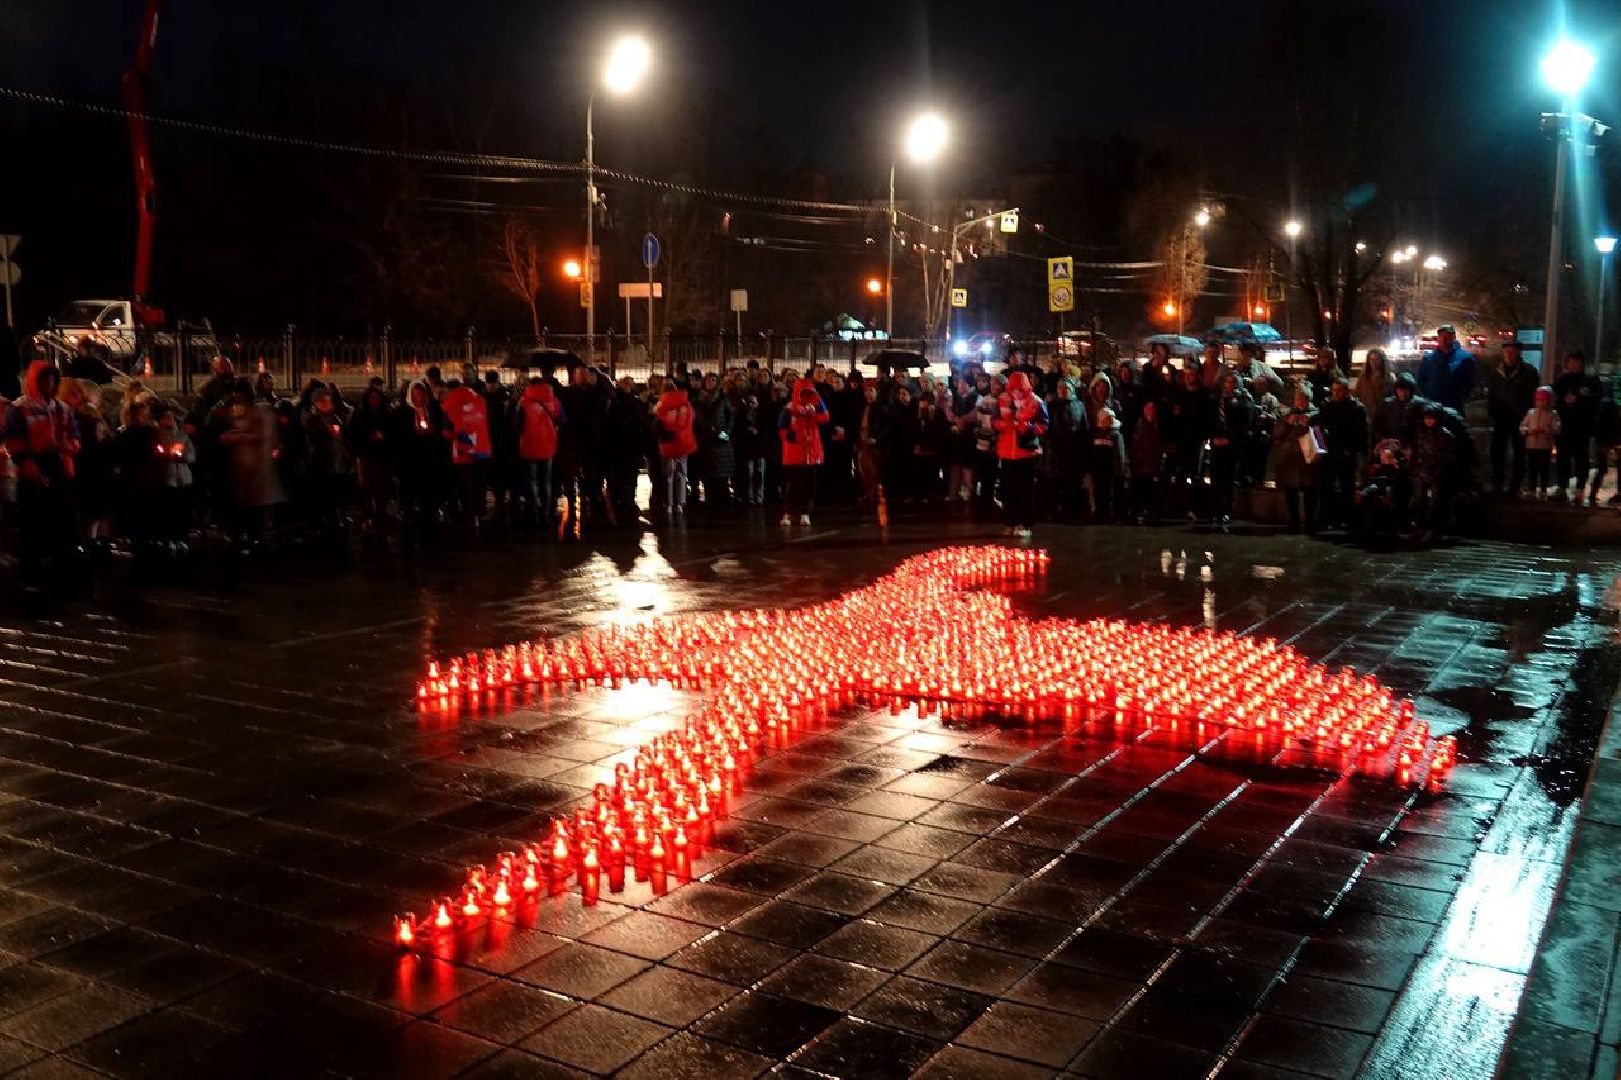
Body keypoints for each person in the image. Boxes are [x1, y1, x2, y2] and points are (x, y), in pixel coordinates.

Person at [4, 362, 81, 591]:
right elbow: (16, 446)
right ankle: (31, 575)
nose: (50, 384)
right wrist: (34, 472)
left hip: (60, 468)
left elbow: (74, 436)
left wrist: (69, 447)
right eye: (45, 380)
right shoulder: (19, 409)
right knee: (33, 526)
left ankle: (61, 573)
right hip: (35, 469)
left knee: (63, 525)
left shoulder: (63, 409)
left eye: (53, 380)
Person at [216, 377, 283, 548]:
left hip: (256, 462)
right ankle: (247, 533)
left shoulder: (260, 410)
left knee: (255, 502)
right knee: (246, 500)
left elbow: (263, 435)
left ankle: (256, 534)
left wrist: (237, 438)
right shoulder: (242, 409)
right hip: (244, 462)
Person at [397, 379, 452, 544]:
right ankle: (410, 513)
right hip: (411, 458)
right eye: (415, 394)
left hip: (431, 455)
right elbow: (400, 435)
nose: (418, 397)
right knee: (411, 486)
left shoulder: (434, 410)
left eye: (421, 394)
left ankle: (430, 513)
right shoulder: (404, 412)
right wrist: (414, 434)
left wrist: (432, 432)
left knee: (429, 487)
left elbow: (443, 431)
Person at [994, 370, 1048, 538]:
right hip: (1006, 452)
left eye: (1019, 388)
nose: (1016, 391)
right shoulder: (1003, 399)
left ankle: (1024, 524)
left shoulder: (1036, 402)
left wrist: (1028, 427)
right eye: (1014, 388)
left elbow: (1044, 425)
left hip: (1026, 453)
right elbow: (995, 420)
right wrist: (1003, 424)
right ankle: (1009, 523)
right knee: (1007, 490)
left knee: (1025, 491)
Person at [1485, 341, 1538, 495]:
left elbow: (1531, 395)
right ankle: (1497, 482)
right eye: (1506, 351)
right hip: (1500, 417)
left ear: (1519, 353)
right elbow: (1492, 394)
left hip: (1519, 418)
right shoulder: (1497, 371)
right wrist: (1492, 411)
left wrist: (1523, 412)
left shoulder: (1528, 372)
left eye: (1512, 351)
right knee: (1497, 451)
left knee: (1519, 452)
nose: (1509, 354)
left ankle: (1515, 484)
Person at [513, 377, 564, 530]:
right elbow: (562, 421)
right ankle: (546, 512)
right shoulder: (554, 400)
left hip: (529, 446)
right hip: (548, 446)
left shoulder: (523, 402)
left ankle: (535, 511)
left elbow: (517, 425)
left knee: (532, 480)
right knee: (546, 480)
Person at [345, 386, 396, 539]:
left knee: (382, 486)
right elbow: (353, 434)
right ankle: (367, 514)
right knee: (366, 486)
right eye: (371, 398)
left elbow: (393, 432)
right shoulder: (360, 414)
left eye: (377, 397)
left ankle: (381, 513)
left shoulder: (386, 414)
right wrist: (368, 439)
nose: (374, 401)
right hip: (365, 455)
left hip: (382, 455)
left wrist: (384, 438)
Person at [1316, 378, 1367, 531]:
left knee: (1347, 489)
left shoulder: (1356, 408)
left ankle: (1348, 519)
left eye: (1339, 391)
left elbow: (1361, 432)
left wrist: (1352, 450)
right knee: (1326, 488)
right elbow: (1319, 428)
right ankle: (1327, 518)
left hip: (1346, 454)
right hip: (1329, 454)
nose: (1336, 394)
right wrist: (1320, 448)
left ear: (1346, 391)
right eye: (1334, 391)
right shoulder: (1327, 406)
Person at [778, 376, 829, 526]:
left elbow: (825, 418)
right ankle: (788, 512)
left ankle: (805, 512)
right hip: (794, 452)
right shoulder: (789, 409)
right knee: (792, 485)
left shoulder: (815, 407)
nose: (807, 396)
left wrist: (817, 402)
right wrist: (795, 438)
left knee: (809, 484)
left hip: (811, 452)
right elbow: (781, 428)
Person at [1552, 350, 1601, 502]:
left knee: (1581, 457)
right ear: (1567, 364)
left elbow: (1596, 397)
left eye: (1577, 362)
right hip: (1564, 426)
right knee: (1563, 457)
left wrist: (1578, 400)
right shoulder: (1561, 380)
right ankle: (1561, 486)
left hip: (1582, 427)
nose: (1574, 365)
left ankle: (1580, 488)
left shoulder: (1591, 381)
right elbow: (1555, 396)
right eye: (1571, 362)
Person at [442, 379, 491, 529]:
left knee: (466, 485)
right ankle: (480, 512)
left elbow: (447, 431)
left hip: (464, 451)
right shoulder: (480, 399)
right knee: (480, 483)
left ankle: (468, 514)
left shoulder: (449, 404)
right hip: (482, 448)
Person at [1207, 374, 1255, 528]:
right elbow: (1210, 420)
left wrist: (1229, 439)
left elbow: (1244, 426)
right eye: (1227, 382)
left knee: (1228, 480)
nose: (1229, 385)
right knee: (1215, 478)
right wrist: (1213, 437)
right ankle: (1215, 510)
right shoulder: (1216, 401)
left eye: (1233, 382)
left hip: (1232, 447)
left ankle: (1226, 510)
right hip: (1216, 445)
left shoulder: (1242, 403)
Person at [1272, 384, 1320, 533]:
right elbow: (1277, 434)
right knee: (1291, 492)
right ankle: (1294, 520)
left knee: (1310, 492)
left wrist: (1309, 423)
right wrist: (1288, 423)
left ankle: (1310, 521)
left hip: (1307, 460)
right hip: (1290, 461)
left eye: (1302, 399)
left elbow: (1321, 434)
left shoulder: (1316, 414)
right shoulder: (1289, 414)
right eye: (1297, 399)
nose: (1298, 402)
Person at [1040, 377, 1088, 521]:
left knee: (1071, 484)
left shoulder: (1079, 405)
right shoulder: (1051, 405)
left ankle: (1070, 512)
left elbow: (1083, 428)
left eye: (1065, 388)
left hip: (1073, 451)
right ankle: (1053, 511)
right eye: (1060, 387)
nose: (1062, 390)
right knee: (1054, 483)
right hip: (1055, 451)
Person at [1410, 404, 1456, 541]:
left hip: (1437, 474)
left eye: (1432, 418)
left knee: (1436, 503)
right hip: (1421, 472)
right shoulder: (1420, 433)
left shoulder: (1446, 435)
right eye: (1427, 418)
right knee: (1419, 502)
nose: (1429, 421)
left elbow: (1450, 456)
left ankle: (1433, 529)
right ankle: (1420, 527)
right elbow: (1415, 453)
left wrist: (1440, 470)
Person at [654, 380, 698, 520]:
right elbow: (692, 421)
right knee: (681, 474)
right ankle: (680, 502)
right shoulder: (686, 404)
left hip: (668, 443)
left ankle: (669, 504)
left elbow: (657, 423)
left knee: (669, 476)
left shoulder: (661, 405)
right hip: (684, 443)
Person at [1416, 325, 1476, 411]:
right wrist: (1428, 396)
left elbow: (1471, 381)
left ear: (1453, 337)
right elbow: (1421, 380)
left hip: (1455, 406)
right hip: (1433, 406)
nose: (1443, 339)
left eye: (1447, 336)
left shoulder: (1465, 358)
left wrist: (1462, 396)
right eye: (1441, 336)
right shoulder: (1428, 358)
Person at [1520, 386, 1560, 499]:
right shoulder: (1531, 412)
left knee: (1544, 470)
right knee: (1532, 469)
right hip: (1531, 446)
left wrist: (1545, 430)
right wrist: (1528, 430)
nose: (1541, 403)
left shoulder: (1553, 414)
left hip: (1544, 446)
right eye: (1539, 400)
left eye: (1544, 400)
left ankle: (1543, 489)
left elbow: (1557, 428)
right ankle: (1531, 489)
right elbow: (1522, 426)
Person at [1129, 399, 1165, 523]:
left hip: (1151, 464)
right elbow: (1137, 446)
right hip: (1143, 465)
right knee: (1142, 488)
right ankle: (1140, 511)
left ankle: (1148, 511)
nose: (1151, 412)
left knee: (1150, 489)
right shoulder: (1141, 426)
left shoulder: (1156, 426)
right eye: (1149, 410)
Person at [1373, 372, 1425, 446]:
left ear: (1411, 390)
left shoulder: (1420, 405)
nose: (1403, 393)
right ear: (1396, 390)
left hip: (1413, 446)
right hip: (1390, 445)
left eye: (1406, 390)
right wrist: (1383, 439)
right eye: (1400, 390)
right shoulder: (1387, 404)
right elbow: (1377, 426)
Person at [1589, 386, 1621, 506]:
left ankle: (1593, 494)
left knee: (1602, 468)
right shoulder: (1612, 407)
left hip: (1602, 440)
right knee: (1614, 466)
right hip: (1610, 440)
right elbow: (1615, 424)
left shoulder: (1601, 406)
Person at [1353, 348, 1394, 428]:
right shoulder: (1363, 377)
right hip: (1366, 414)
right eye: (1371, 359)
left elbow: (1392, 397)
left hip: (1382, 416)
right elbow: (1357, 394)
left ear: (1382, 361)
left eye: (1377, 359)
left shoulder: (1389, 378)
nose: (1374, 363)